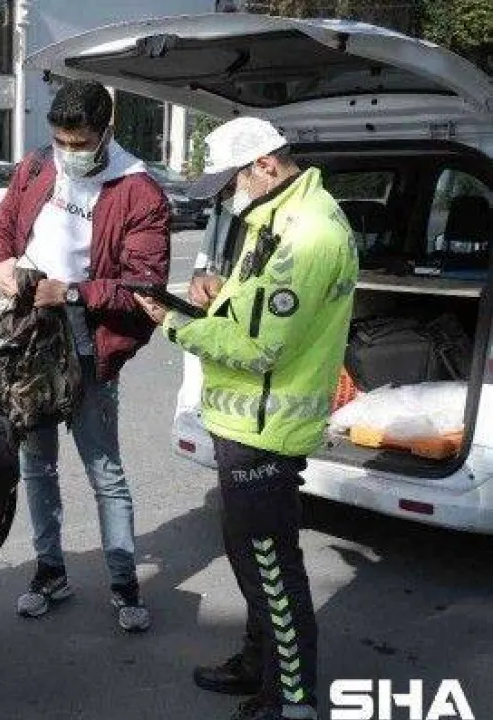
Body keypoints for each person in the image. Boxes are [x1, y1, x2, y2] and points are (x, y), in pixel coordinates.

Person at [135, 116, 358, 720]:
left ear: (264, 164)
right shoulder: (274, 217)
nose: (229, 193)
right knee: (250, 557)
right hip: (246, 423)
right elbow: (253, 309)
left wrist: (173, 323)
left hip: (268, 431)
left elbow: (260, 348)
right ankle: (258, 664)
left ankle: (292, 699)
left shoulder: (309, 234)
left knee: (271, 570)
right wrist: (217, 295)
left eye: (233, 179)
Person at [0, 79, 171, 630]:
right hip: (30, 340)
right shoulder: (37, 166)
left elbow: (145, 288)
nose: (68, 151)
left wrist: (72, 293)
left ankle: (124, 584)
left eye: (79, 142)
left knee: (104, 471)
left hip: (88, 345)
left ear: (107, 130)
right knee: (36, 466)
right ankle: (50, 571)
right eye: (60, 140)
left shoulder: (138, 190)